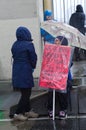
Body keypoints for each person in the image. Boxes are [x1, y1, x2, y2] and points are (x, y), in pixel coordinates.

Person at [11, 26, 39, 121]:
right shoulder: (29, 44)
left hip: (16, 71)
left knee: (25, 92)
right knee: (26, 93)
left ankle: (27, 111)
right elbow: (33, 58)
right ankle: (18, 113)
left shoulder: (14, 44)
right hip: (25, 71)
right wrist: (33, 66)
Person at [47, 36, 73, 119]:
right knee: (51, 93)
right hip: (53, 77)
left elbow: (69, 64)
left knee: (62, 93)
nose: (55, 42)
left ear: (62, 42)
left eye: (57, 41)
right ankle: (50, 110)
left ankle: (63, 110)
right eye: (55, 41)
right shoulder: (52, 51)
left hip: (64, 78)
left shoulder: (67, 52)